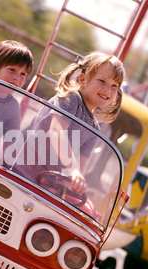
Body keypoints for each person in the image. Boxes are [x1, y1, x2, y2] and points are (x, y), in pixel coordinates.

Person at [23, 52, 125, 195]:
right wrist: (73, 169)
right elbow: (56, 132)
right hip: (22, 171)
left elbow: (79, 166)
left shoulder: (94, 128)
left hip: (46, 185)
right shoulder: (71, 99)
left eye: (114, 85)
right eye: (102, 81)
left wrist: (76, 182)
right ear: (82, 80)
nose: (108, 89)